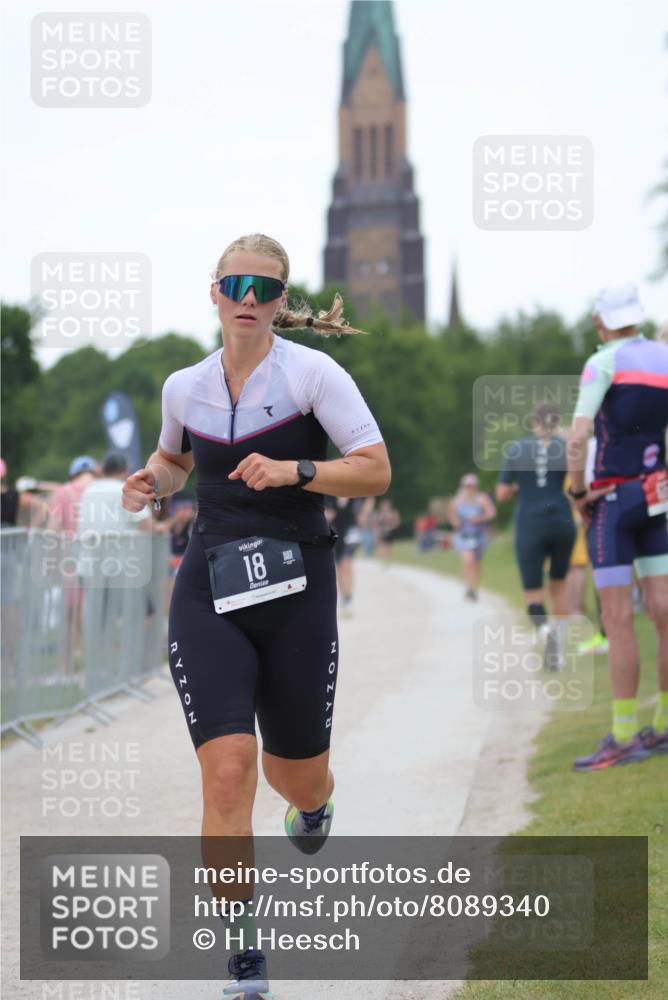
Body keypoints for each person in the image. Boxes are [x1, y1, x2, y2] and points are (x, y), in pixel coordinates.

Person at [122, 233, 390, 997]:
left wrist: (297, 469)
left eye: (264, 289)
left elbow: (375, 469)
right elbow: (174, 460)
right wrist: (152, 479)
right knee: (228, 771)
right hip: (210, 587)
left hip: (298, 587)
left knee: (295, 778)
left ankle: (316, 805)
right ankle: (244, 952)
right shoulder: (185, 386)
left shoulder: (312, 375)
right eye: (236, 284)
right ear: (213, 291)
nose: (248, 299)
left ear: (280, 302)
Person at [567, 284, 668, 770]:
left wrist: (573, 490)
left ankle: (625, 735)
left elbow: (579, 435)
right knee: (664, 612)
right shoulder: (664, 357)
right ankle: (664, 726)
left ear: (599, 321)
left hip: (611, 500)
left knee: (618, 619)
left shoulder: (603, 361)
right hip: (658, 497)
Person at [495, 401, 576, 670]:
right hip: (562, 520)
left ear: (534, 421)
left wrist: (520, 487)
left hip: (530, 522)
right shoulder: (565, 447)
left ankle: (544, 632)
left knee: (533, 591)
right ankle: (560, 652)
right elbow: (577, 485)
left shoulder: (517, 448)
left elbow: (502, 494)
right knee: (559, 586)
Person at [448, 473, 496, 600]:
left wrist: (480, 518)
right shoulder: (457, 501)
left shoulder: (482, 499)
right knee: (468, 559)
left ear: (476, 486)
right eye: (467, 486)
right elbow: (451, 515)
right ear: (463, 486)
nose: (469, 488)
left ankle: (473, 587)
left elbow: (491, 513)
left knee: (476, 563)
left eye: (472, 486)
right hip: (463, 535)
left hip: (479, 536)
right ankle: (468, 587)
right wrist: (456, 522)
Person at [325, 495, 374, 617]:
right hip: (333, 530)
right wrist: (324, 513)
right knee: (338, 568)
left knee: (346, 563)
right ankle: (344, 597)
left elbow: (370, 497)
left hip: (351, 530)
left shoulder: (353, 485)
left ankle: (348, 598)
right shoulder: (329, 489)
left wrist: (364, 514)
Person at [374, 497, 401, 564]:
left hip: (390, 531)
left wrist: (392, 526)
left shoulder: (393, 513)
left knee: (388, 545)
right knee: (381, 544)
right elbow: (376, 523)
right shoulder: (379, 514)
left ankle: (387, 558)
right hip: (382, 531)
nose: (385, 507)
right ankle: (382, 558)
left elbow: (397, 522)